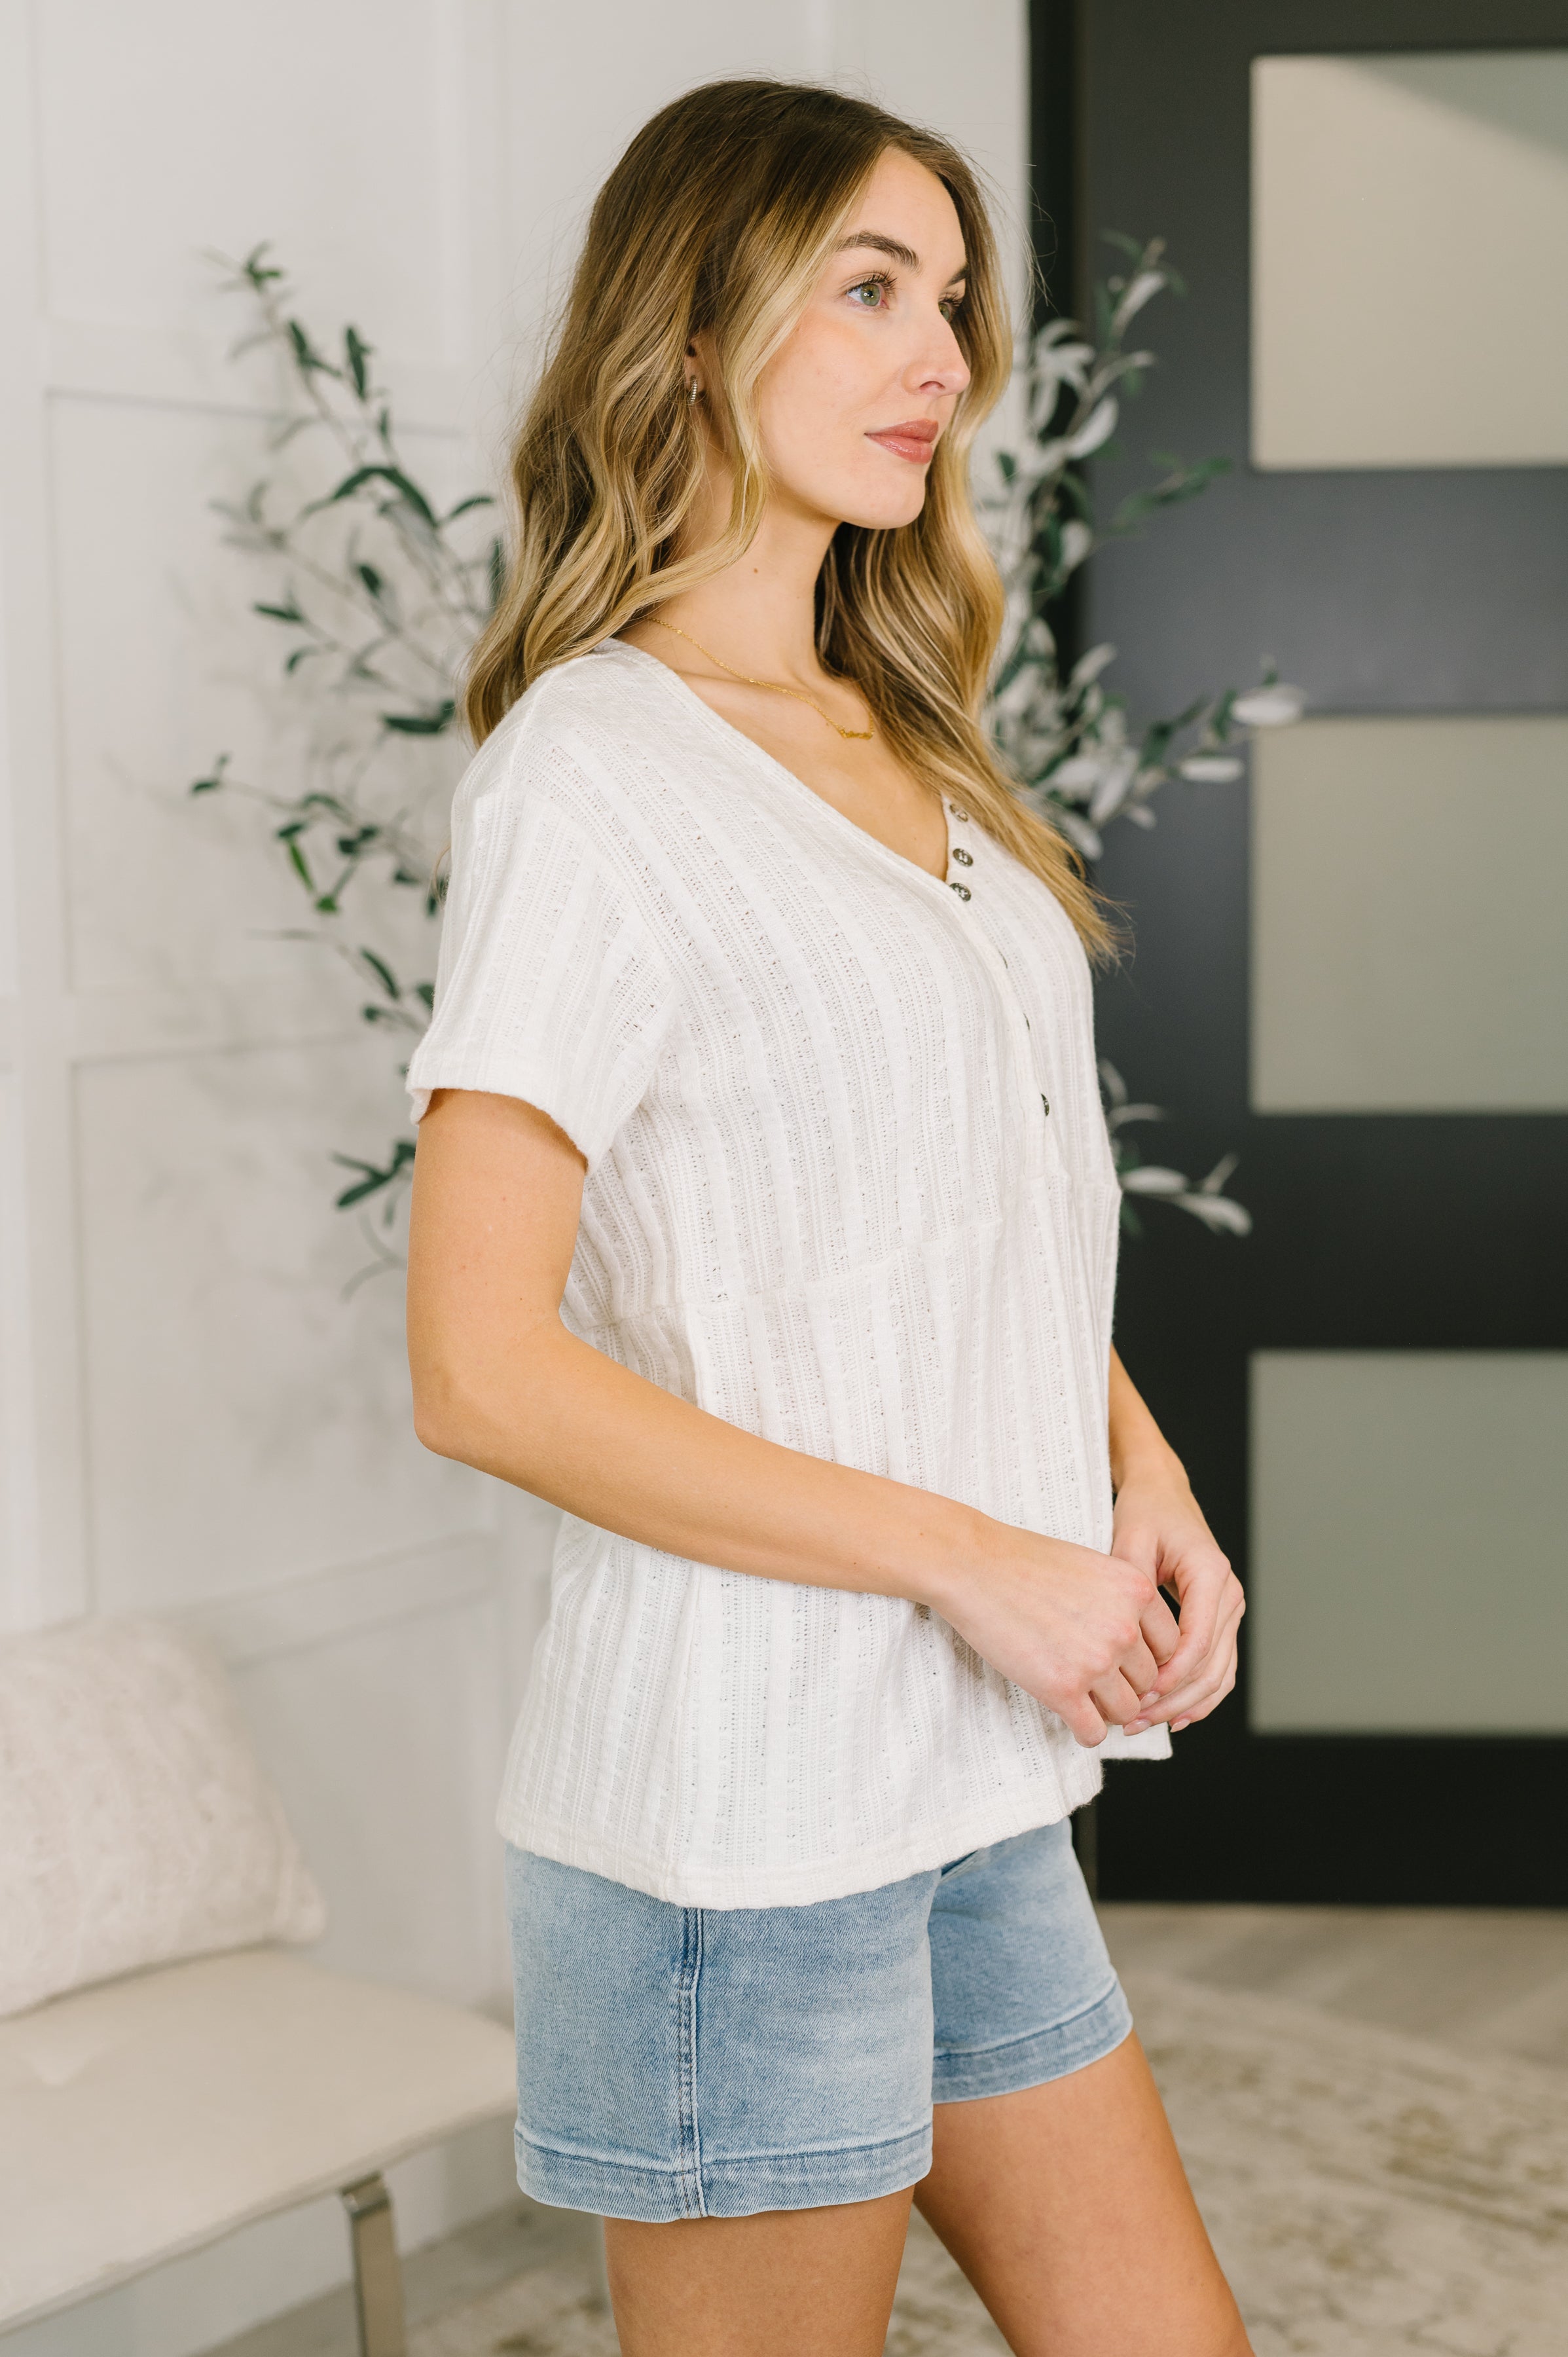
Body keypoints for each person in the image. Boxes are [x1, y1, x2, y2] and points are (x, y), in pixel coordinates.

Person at [405, 76, 1250, 2357]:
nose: (938, 359)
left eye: (951, 301)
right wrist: (980, 1559)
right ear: (692, 328)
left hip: (961, 1767)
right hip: (738, 1819)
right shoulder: (592, 776)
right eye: (868, 289)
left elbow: (957, 1217)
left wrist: (1134, 1471)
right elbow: (479, 1372)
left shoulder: (909, 731)